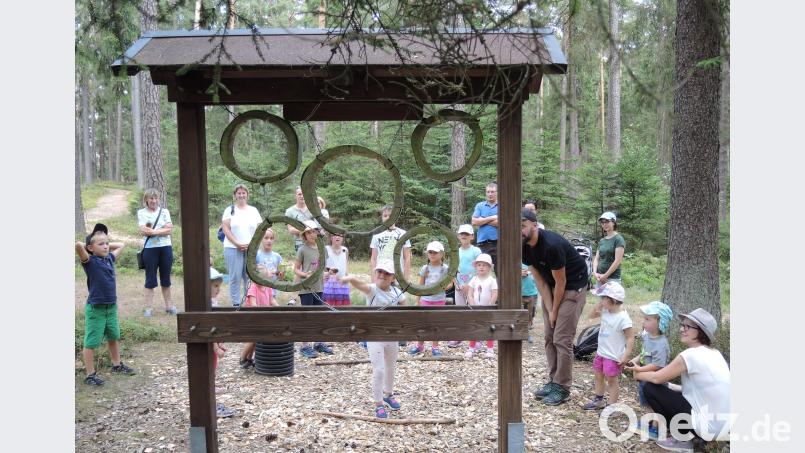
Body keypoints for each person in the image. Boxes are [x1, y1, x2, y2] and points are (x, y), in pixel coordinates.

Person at [631, 308, 730, 451]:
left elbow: (657, 378)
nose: (682, 329)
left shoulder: (691, 355)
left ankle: (682, 439)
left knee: (650, 387)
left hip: (706, 427)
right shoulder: (715, 354)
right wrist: (672, 386)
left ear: (701, 331)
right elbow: (703, 390)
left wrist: (637, 373)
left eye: (688, 326)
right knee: (666, 388)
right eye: (682, 325)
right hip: (722, 426)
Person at [522, 208, 589, 406]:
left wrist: (555, 311)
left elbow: (562, 283)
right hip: (551, 286)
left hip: (572, 288)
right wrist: (551, 311)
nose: (520, 231)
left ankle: (563, 387)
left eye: (523, 226)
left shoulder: (552, 245)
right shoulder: (523, 246)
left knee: (562, 338)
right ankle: (553, 381)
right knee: (549, 336)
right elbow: (541, 282)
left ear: (534, 225)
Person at [340, 261, 406, 418]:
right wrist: (350, 278)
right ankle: (378, 403)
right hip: (374, 336)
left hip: (391, 335)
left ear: (393, 277)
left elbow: (404, 308)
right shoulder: (373, 290)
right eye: (380, 272)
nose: (382, 275)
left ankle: (388, 394)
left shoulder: (397, 292)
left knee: (391, 367)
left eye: (387, 273)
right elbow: (360, 285)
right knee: (379, 369)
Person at [75, 223, 136, 386]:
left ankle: (116, 365)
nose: (106, 246)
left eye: (107, 243)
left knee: (113, 336)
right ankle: (90, 374)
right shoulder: (89, 261)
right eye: (101, 244)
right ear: (90, 248)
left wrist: (102, 241)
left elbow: (121, 245)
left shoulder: (109, 258)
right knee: (91, 342)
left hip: (111, 307)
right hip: (96, 310)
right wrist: (90, 245)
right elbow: (78, 246)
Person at [623, 300, 673, 440]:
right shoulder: (648, 337)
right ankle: (649, 423)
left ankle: (656, 429)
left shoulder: (661, 344)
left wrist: (640, 369)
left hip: (654, 380)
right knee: (646, 403)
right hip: (644, 378)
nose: (643, 322)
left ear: (659, 322)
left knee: (654, 404)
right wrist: (636, 360)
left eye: (647, 319)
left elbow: (658, 365)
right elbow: (645, 353)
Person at [581, 281, 634, 410]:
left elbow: (630, 337)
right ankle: (598, 400)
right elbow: (590, 317)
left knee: (611, 380)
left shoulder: (623, 318)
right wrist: (596, 308)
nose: (601, 301)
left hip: (613, 355)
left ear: (613, 300)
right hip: (601, 353)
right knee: (598, 376)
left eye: (604, 298)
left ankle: (612, 407)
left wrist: (626, 355)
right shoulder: (606, 311)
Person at [239, 229, 283, 369]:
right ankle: (243, 357)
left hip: (261, 316)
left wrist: (280, 309)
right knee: (252, 339)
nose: (261, 281)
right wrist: (261, 312)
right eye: (259, 278)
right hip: (253, 316)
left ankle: (250, 359)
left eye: (263, 279)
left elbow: (272, 301)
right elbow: (253, 304)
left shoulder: (268, 287)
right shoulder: (253, 287)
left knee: (257, 340)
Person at [295, 220, 333, 358]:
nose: (311, 234)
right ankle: (304, 346)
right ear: (304, 235)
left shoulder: (322, 249)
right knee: (307, 317)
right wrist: (305, 275)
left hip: (319, 288)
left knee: (319, 316)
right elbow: (296, 269)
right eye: (308, 232)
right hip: (306, 289)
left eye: (313, 231)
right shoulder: (302, 249)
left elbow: (323, 267)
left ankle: (319, 342)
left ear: (317, 232)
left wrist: (326, 274)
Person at [221, 183, 263, 307]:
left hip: (251, 248)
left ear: (247, 195)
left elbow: (259, 229)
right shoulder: (229, 210)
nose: (241, 195)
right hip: (232, 248)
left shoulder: (253, 210)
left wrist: (252, 244)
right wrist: (237, 243)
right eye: (238, 193)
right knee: (235, 277)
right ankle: (236, 304)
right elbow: (226, 228)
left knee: (250, 277)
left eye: (243, 193)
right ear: (235, 195)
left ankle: (248, 302)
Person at [408, 241, 452, 357]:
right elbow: (420, 285)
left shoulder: (445, 269)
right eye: (430, 252)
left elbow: (450, 284)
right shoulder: (425, 268)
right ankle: (419, 345)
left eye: (435, 252)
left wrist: (441, 287)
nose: (432, 254)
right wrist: (417, 301)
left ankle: (435, 346)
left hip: (439, 300)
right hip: (425, 300)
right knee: (423, 323)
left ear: (441, 254)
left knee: (436, 324)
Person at [137, 188, 176, 317]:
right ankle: (148, 308)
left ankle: (169, 306)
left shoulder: (164, 212)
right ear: (146, 200)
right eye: (151, 198)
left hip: (165, 247)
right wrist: (161, 230)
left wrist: (153, 232)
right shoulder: (141, 213)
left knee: (166, 277)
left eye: (156, 198)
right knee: (150, 278)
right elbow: (143, 231)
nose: (154, 201)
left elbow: (169, 230)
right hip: (150, 249)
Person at [447, 224, 481, 348]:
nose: (464, 236)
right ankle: (458, 336)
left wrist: (470, 285)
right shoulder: (455, 251)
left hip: (473, 286)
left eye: (467, 234)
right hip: (459, 285)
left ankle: (477, 338)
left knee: (474, 310)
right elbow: (452, 269)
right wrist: (455, 282)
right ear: (458, 236)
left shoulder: (476, 251)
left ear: (472, 236)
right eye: (462, 234)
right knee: (459, 310)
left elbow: (480, 268)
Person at [209, 267, 235, 418]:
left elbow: (216, 327)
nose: (218, 289)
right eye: (215, 286)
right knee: (208, 370)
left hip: (213, 345)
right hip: (208, 346)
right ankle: (212, 405)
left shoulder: (213, 301)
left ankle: (212, 394)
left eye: (219, 286)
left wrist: (219, 343)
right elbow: (208, 329)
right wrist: (215, 347)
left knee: (213, 368)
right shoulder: (207, 303)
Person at [464, 254, 498, 359]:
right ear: (476, 267)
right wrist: (472, 304)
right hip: (475, 309)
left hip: (488, 309)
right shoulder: (474, 279)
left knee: (490, 328)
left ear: (489, 267)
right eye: (479, 265)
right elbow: (469, 293)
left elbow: (495, 293)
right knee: (474, 328)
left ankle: (490, 349)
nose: (481, 267)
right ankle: (471, 348)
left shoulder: (492, 280)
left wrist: (490, 305)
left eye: (484, 265)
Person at [370, 204, 412, 280]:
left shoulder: (403, 234)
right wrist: (373, 278)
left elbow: (407, 258)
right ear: (382, 217)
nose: (388, 218)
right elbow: (373, 259)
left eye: (390, 216)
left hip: (397, 276)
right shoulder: (376, 234)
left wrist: (406, 278)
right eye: (385, 216)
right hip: (381, 274)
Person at [592, 211, 625, 287]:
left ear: (613, 222)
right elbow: (597, 259)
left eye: (607, 222)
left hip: (613, 279)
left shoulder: (619, 239)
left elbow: (617, 261)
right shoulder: (602, 240)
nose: (604, 224)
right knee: (601, 299)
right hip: (600, 277)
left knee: (610, 299)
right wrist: (595, 272)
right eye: (602, 222)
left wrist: (605, 276)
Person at [471, 182, 499, 274]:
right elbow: (474, 222)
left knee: (500, 272)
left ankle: (501, 288)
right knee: (482, 272)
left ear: (497, 193)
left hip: (498, 244)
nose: (490, 194)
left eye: (492, 192)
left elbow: (502, 223)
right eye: (488, 192)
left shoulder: (502, 206)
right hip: (483, 244)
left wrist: (482, 220)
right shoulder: (480, 205)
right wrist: (492, 218)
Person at [285, 186, 320, 252]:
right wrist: (305, 230)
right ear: (295, 196)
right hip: (299, 243)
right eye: (299, 194)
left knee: (315, 262)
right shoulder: (289, 211)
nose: (302, 196)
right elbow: (290, 229)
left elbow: (318, 226)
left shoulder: (312, 209)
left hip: (314, 242)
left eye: (303, 193)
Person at [324, 232, 351, 306]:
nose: (337, 237)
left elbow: (346, 264)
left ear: (343, 238)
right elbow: (321, 265)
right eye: (335, 235)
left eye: (340, 235)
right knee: (328, 307)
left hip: (342, 282)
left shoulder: (345, 250)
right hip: (328, 283)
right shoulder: (325, 249)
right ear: (331, 237)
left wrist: (347, 277)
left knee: (343, 307)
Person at [521, 263, 539, 344]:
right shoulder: (517, 260)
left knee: (530, 314)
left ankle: (527, 331)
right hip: (520, 294)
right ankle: (523, 333)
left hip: (532, 293)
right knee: (520, 314)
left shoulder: (533, 260)